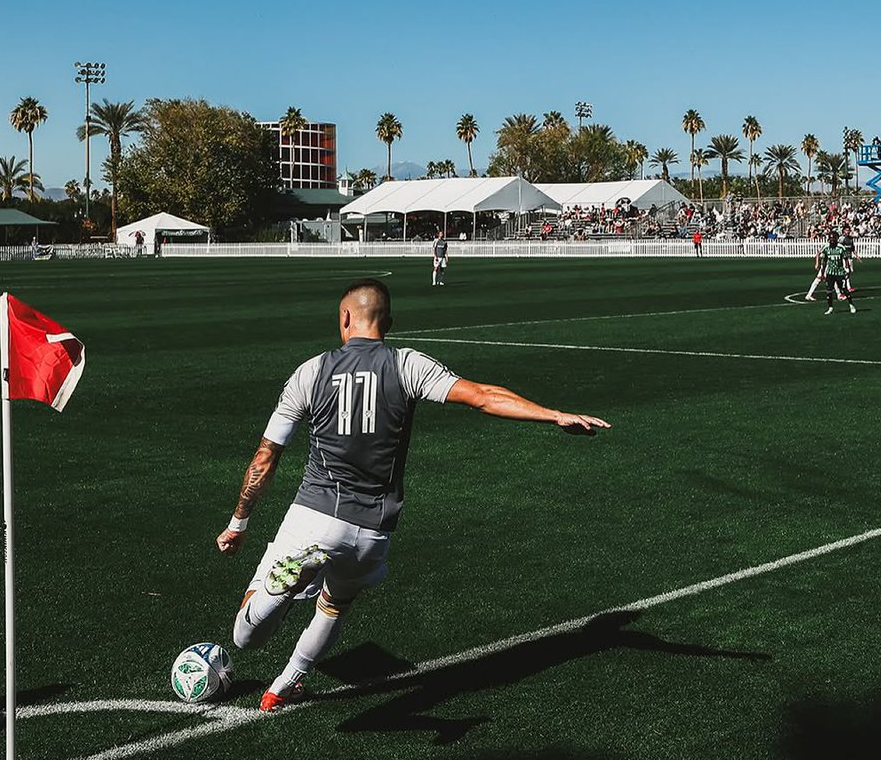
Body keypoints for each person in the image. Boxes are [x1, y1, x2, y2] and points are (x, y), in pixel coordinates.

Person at [215, 279, 610, 712]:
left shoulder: (310, 371)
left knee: (245, 634)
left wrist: (239, 523)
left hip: (314, 516)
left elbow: (265, 458)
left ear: (344, 318)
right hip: (371, 531)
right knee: (334, 606)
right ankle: (287, 683)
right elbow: (482, 397)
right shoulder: (408, 364)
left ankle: (281, 586)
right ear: (389, 322)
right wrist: (553, 414)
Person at [818, 230, 856, 315]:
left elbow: (845, 258)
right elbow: (824, 262)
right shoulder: (826, 248)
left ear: (836, 239)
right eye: (830, 239)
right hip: (830, 273)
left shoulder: (841, 248)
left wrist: (846, 268)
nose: (832, 240)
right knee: (829, 291)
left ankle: (851, 305)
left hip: (840, 272)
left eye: (833, 239)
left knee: (844, 289)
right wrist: (822, 273)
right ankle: (830, 307)